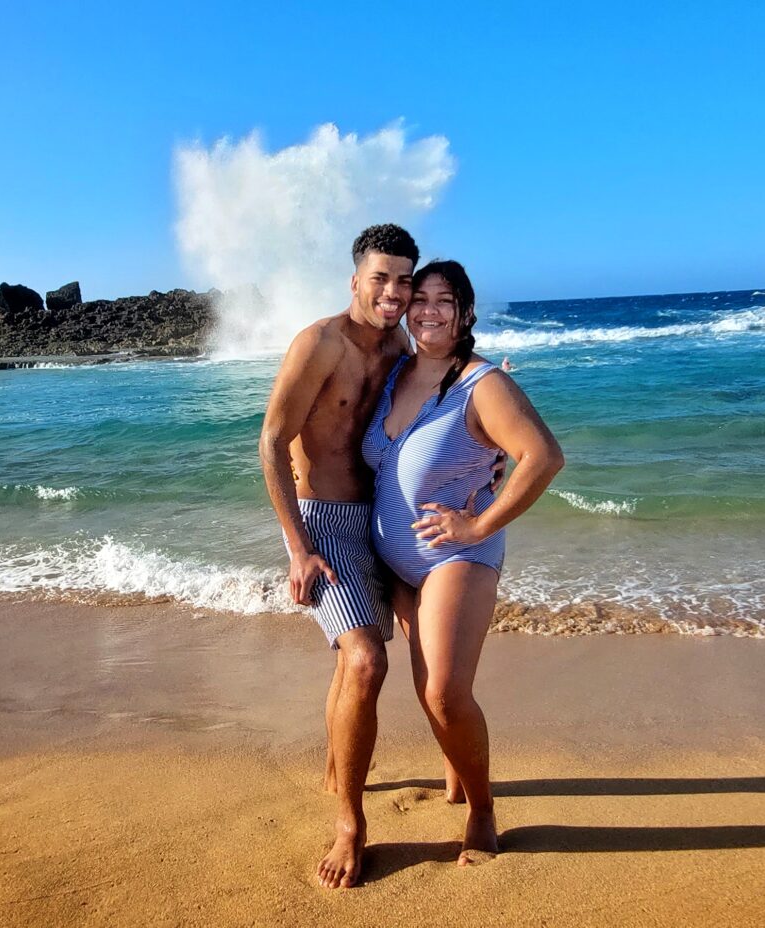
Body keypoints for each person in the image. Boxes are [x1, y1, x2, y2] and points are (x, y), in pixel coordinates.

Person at [362, 259, 564, 866]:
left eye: (443, 300)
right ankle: (455, 772)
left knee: (448, 693)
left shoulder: (484, 384)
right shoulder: (394, 373)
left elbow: (543, 456)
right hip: (399, 564)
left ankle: (482, 808)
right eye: (417, 297)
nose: (426, 309)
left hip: (458, 555)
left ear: (465, 312)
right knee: (429, 690)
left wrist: (477, 522)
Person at [259, 223, 418, 890]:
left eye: (405, 280)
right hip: (325, 523)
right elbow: (271, 442)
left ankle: (353, 763)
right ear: (355, 280)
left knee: (428, 642)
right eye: (381, 277)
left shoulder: (403, 343)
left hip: (386, 518)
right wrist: (297, 549)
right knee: (366, 657)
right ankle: (350, 823)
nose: (393, 291)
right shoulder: (319, 344)